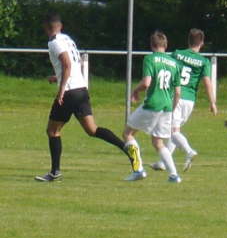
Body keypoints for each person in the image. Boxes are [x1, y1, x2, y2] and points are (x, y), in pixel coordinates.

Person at [35, 13, 138, 182]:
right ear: (60, 26)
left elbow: (67, 64)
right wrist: (58, 77)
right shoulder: (67, 39)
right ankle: (128, 150)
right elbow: (74, 64)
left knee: (53, 131)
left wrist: (61, 89)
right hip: (81, 89)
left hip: (69, 92)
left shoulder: (54, 42)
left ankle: (55, 172)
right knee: (93, 129)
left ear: (46, 27)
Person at [150, 29, 217, 173]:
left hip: (176, 96)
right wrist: (212, 102)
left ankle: (189, 151)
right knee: (175, 129)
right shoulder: (204, 61)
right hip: (190, 100)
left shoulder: (177, 54)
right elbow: (207, 82)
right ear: (202, 43)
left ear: (188, 41)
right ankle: (163, 163)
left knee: (171, 130)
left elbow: (167, 68)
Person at [123, 31, 182, 183]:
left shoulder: (150, 59)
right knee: (158, 142)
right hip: (167, 107)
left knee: (128, 134)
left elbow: (146, 83)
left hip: (152, 104)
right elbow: (177, 92)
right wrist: (172, 108)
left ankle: (138, 170)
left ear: (151, 45)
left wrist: (135, 91)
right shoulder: (175, 63)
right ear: (166, 45)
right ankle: (174, 175)